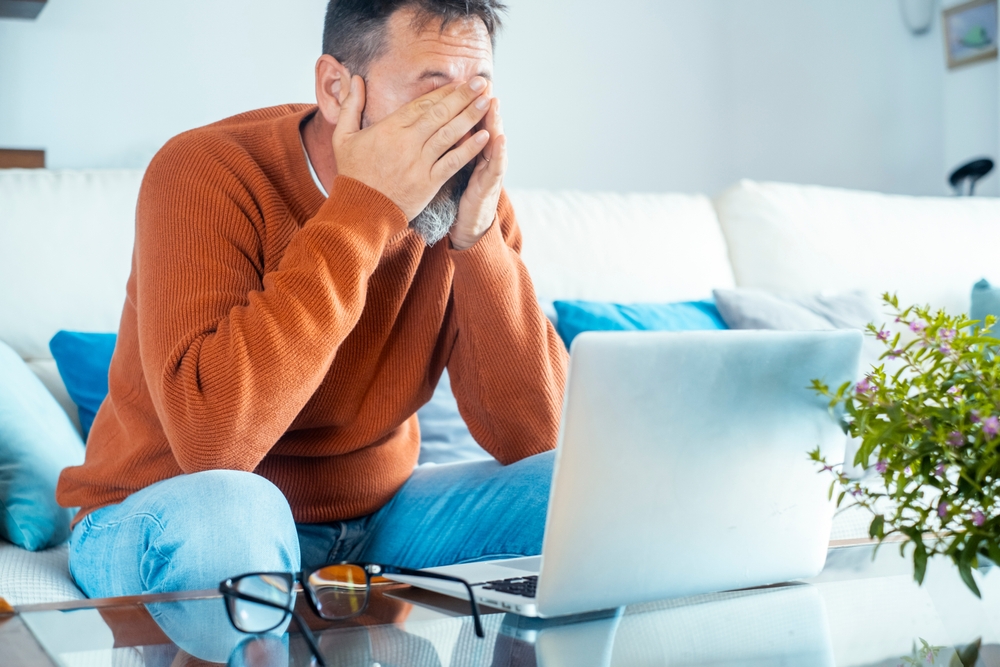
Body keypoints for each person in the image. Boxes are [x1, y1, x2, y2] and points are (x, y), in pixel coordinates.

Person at [57, 0, 568, 599]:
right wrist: (364, 210)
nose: (463, 126)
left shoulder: (466, 196)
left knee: (578, 493)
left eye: (477, 91)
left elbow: (538, 439)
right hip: (175, 509)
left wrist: (478, 241)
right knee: (232, 515)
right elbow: (213, 446)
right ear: (335, 89)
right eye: (433, 93)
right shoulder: (205, 170)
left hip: (374, 520)